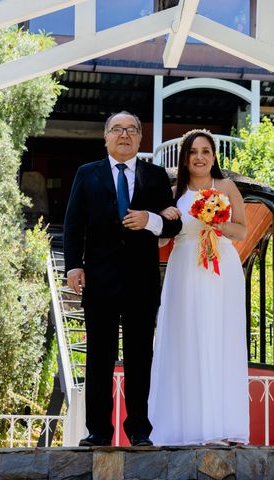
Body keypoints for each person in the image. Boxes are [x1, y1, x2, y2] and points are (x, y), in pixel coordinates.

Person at [64, 111, 182, 447]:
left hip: (141, 283)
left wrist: (150, 220)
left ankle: (139, 430)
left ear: (140, 139)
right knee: (99, 359)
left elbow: (172, 224)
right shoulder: (86, 174)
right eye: (117, 129)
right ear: (106, 137)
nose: (124, 135)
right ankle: (98, 432)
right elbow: (73, 225)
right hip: (98, 281)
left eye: (131, 130)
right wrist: (73, 266)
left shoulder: (156, 176)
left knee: (139, 358)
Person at [148, 129, 250, 445]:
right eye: (193, 152)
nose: (200, 157)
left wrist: (216, 222)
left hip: (222, 270)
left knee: (221, 339)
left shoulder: (227, 186)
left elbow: (242, 231)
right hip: (185, 268)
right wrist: (160, 219)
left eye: (206, 151)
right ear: (185, 158)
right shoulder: (174, 192)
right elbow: (164, 237)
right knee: (185, 339)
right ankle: (184, 427)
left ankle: (222, 425)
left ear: (214, 156)